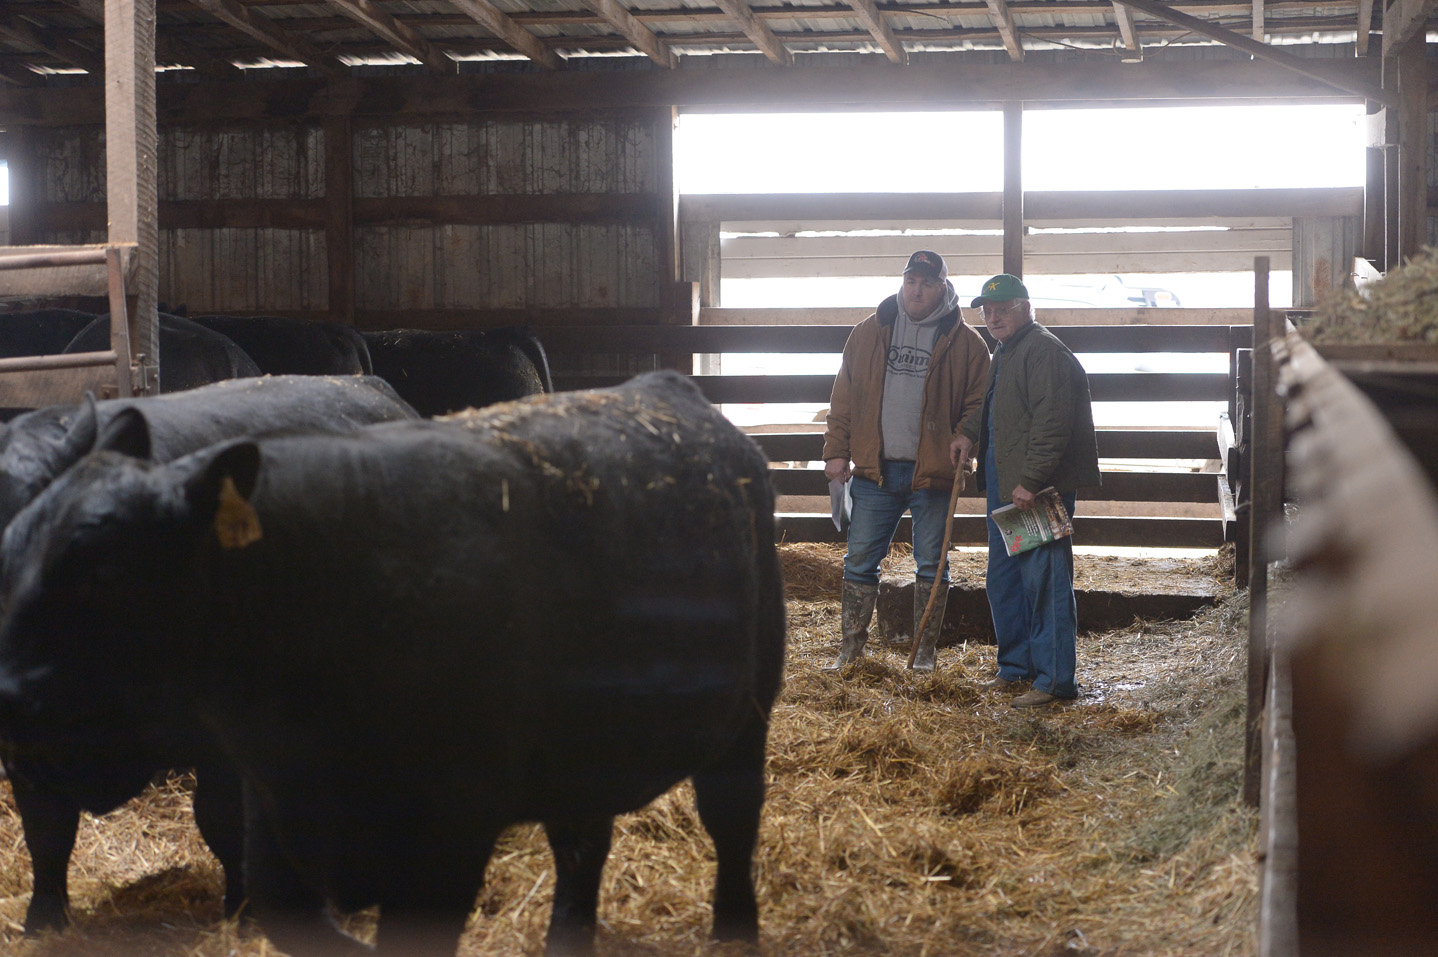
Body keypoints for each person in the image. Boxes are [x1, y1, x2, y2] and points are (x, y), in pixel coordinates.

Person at [821, 251, 991, 673]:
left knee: (932, 563)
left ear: (942, 287)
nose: (917, 290)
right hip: (875, 470)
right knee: (859, 560)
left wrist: (966, 434)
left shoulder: (967, 343)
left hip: (932, 471)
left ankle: (924, 656)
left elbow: (979, 403)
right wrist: (835, 452)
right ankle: (851, 652)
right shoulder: (869, 331)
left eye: (927, 283)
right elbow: (844, 397)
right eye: (911, 280)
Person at [953, 274, 1100, 708]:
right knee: (1006, 581)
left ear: (1026, 307)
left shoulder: (1044, 353)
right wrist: (967, 433)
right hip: (1007, 484)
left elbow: (1053, 424)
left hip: (1033, 490)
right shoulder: (1006, 350)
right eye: (987, 310)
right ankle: (1016, 667)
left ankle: (1055, 680)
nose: (993, 317)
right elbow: (993, 405)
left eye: (1003, 308)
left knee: (1044, 581)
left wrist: (1031, 481)